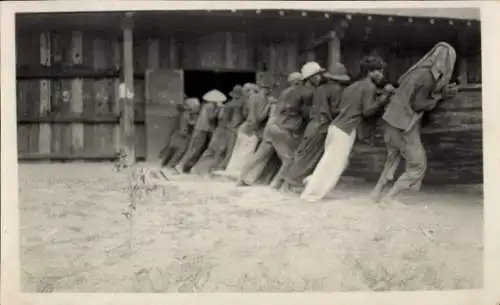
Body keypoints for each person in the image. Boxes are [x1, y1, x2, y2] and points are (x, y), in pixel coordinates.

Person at [369, 42, 458, 204]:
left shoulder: (417, 71)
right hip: (403, 126)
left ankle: (375, 194)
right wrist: (439, 98)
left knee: (392, 159)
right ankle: (390, 199)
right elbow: (418, 104)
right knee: (418, 165)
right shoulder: (428, 77)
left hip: (390, 122)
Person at [300, 56, 392, 202]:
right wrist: (384, 97)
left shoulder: (354, 86)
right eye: (378, 71)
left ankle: (312, 181)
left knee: (333, 162)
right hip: (345, 130)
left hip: (335, 127)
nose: (381, 74)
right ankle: (310, 195)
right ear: (369, 72)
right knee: (333, 165)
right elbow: (367, 110)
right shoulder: (369, 87)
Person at [281, 63, 351, 193]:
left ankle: (288, 184)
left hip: (313, 124)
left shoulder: (320, 89)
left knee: (304, 154)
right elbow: (334, 110)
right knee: (312, 156)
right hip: (322, 126)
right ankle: (293, 184)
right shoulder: (336, 89)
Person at [236, 72, 302, 186]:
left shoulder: (282, 94)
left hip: (269, 128)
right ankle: (276, 184)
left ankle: (241, 178)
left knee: (258, 156)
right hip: (280, 128)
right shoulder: (296, 93)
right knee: (288, 160)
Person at [266, 61, 323, 190]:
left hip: (276, 125)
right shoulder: (310, 92)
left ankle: (277, 185)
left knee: (288, 159)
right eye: (318, 75)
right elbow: (307, 114)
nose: (320, 78)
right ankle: (280, 187)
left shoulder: (292, 90)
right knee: (293, 159)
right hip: (287, 129)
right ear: (311, 77)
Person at [191, 86, 244, 175]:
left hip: (219, 129)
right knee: (221, 152)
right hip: (226, 131)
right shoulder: (237, 105)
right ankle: (212, 169)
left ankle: (198, 169)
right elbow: (235, 120)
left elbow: (220, 117)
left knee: (211, 150)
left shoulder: (227, 105)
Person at [175, 89, 227, 174]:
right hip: (202, 129)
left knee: (196, 149)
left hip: (202, 129)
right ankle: (180, 165)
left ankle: (186, 167)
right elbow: (211, 117)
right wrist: (219, 110)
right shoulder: (210, 106)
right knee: (194, 149)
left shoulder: (207, 105)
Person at [160, 98, 201, 168]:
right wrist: (185, 132)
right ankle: (171, 165)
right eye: (196, 106)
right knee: (180, 151)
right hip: (181, 135)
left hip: (176, 133)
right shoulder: (186, 115)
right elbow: (184, 125)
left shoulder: (181, 114)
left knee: (172, 149)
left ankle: (164, 163)